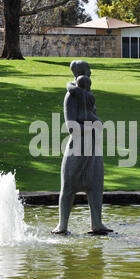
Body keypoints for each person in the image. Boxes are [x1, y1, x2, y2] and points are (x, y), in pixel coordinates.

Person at [52, 61, 112, 235]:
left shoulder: (88, 95)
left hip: (93, 149)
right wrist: (94, 127)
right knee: (68, 187)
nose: (91, 72)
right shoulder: (71, 97)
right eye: (88, 70)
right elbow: (71, 126)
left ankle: (97, 223)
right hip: (76, 148)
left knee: (96, 185)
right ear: (82, 73)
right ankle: (62, 225)